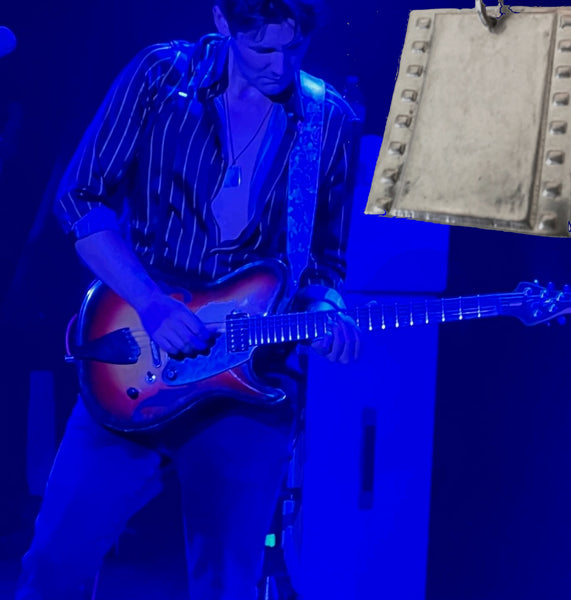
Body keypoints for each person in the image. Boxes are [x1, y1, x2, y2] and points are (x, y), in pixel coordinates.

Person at [16, 0, 360, 598]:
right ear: (223, 22)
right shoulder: (161, 76)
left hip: (249, 383)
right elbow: (79, 199)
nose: (279, 65)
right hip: (135, 360)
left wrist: (328, 309)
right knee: (54, 564)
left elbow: (324, 260)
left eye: (294, 48)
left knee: (226, 584)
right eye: (261, 48)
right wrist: (151, 302)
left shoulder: (329, 120)